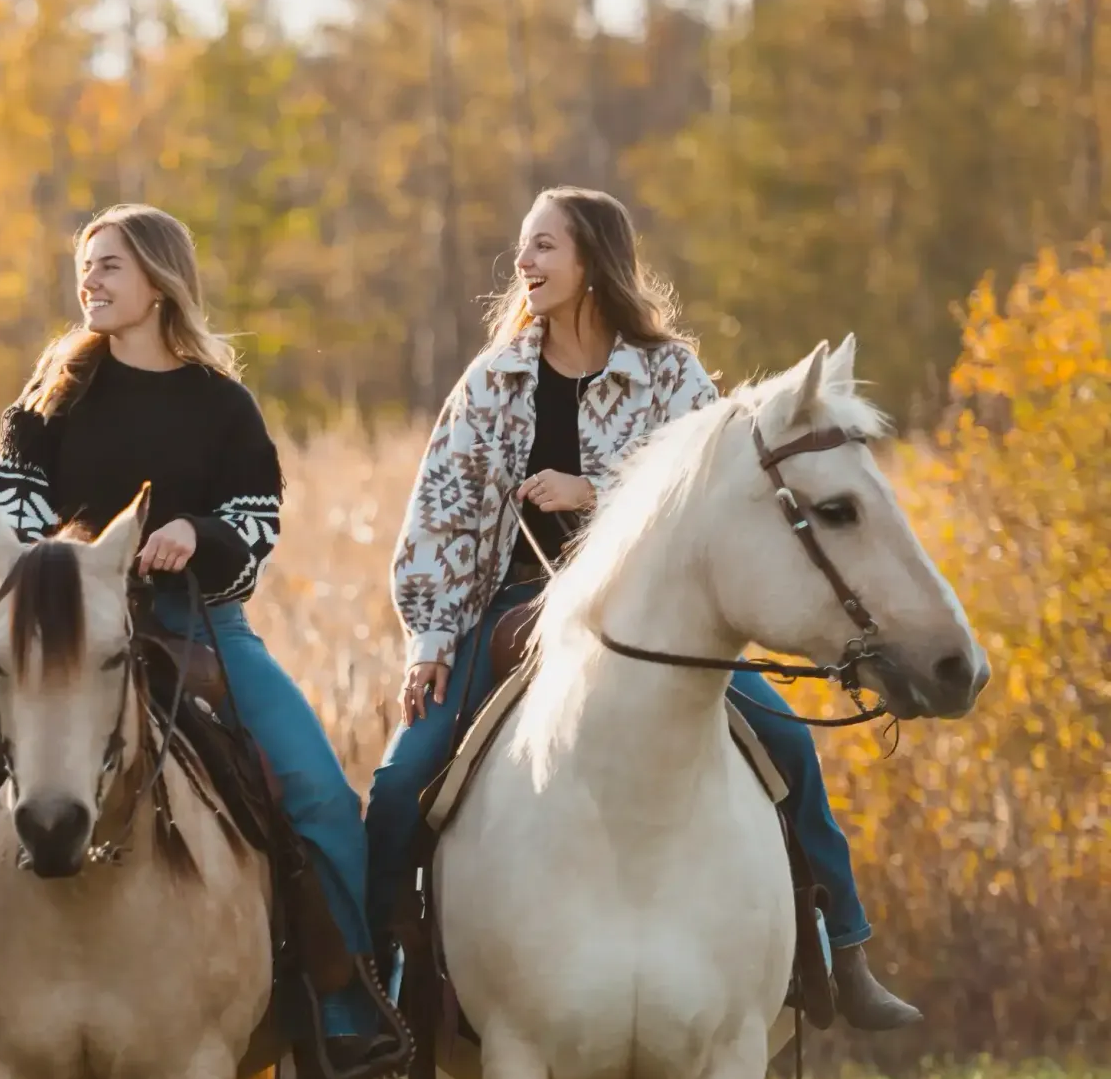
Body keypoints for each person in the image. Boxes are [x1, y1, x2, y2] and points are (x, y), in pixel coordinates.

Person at [0, 203, 404, 1079]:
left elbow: (256, 522)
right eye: (85, 266)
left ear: (159, 281)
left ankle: (346, 1001)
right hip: (68, 638)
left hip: (201, 629)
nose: (92, 282)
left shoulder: (223, 406)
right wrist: (83, 560)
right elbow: (10, 513)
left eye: (110, 266)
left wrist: (195, 532)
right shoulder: (49, 400)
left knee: (319, 795)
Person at [364, 185, 922, 1032]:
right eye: (524, 247)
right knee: (402, 781)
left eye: (545, 246)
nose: (525, 263)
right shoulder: (494, 381)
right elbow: (438, 513)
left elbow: (720, 498)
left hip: (654, 620)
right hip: (514, 608)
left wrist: (593, 492)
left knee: (787, 748)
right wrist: (431, 637)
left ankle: (842, 948)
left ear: (593, 259)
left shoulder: (671, 375)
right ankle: (384, 978)